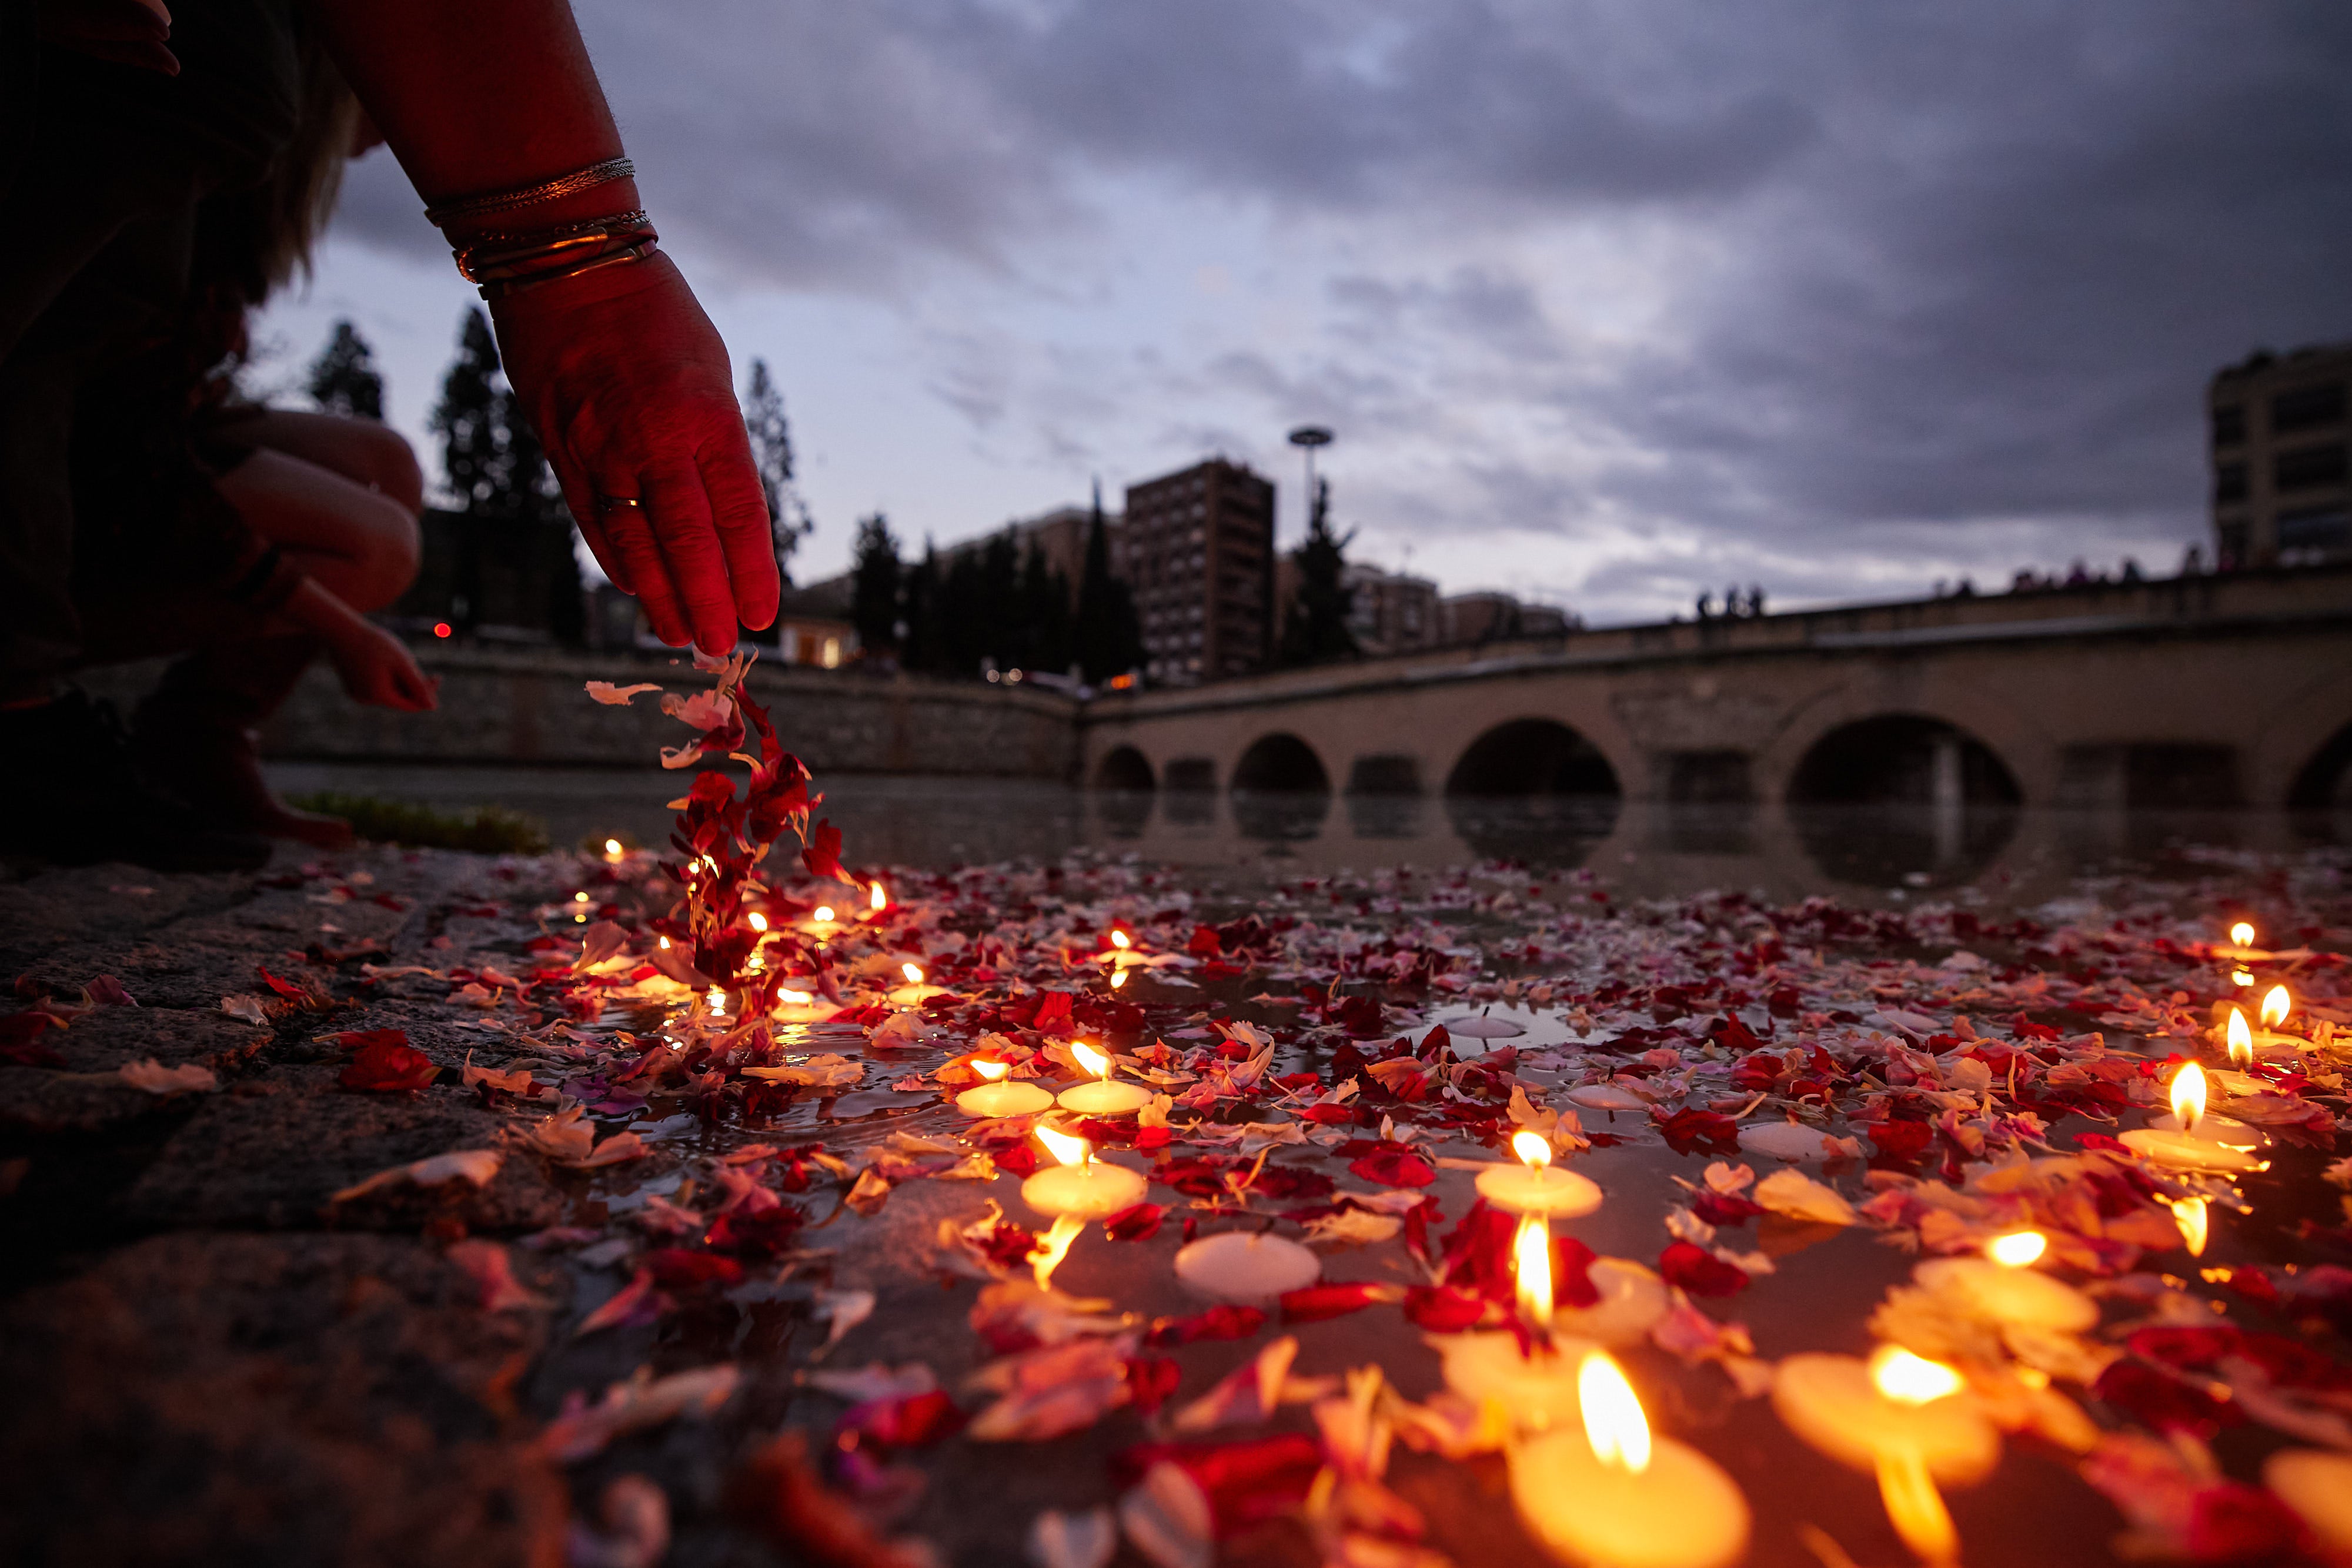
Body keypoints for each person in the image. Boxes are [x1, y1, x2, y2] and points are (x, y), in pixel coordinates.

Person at [2, 0, 776, 869]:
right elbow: (136, 450)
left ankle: (200, 739)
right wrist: (341, 624)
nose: (410, 121)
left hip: (134, 436)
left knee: (386, 466)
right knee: (377, 545)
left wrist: (580, 276)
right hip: (107, 459)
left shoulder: (247, 186)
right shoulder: (167, 116)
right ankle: (23, 704)